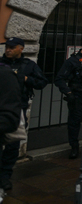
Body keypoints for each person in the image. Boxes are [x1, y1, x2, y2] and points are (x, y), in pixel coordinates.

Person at [0, 37, 48, 190]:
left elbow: (42, 82)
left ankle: (5, 176)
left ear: (21, 48)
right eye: (7, 47)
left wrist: (26, 79)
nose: (8, 50)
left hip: (17, 109)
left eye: (12, 47)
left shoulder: (28, 65)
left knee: (12, 145)